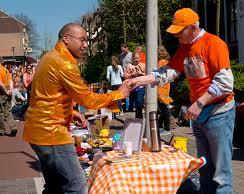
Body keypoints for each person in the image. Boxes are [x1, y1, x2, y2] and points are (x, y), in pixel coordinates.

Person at [127, 8, 236, 194]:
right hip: (200, 115)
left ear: (193, 27)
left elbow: (225, 83)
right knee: (204, 167)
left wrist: (199, 103)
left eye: (180, 30)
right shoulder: (185, 47)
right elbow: (169, 71)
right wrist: (139, 80)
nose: (176, 34)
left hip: (219, 113)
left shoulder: (213, 43)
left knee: (221, 174)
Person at [23, 23, 131, 194]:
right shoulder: (63, 63)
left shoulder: (48, 57)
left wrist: (70, 112)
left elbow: (44, 96)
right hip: (51, 133)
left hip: (38, 130)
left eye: (87, 40)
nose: (86, 45)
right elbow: (87, 99)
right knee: (78, 186)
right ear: (66, 39)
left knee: (54, 186)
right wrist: (119, 94)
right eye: (82, 40)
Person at [124, 51, 146, 118]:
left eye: (137, 58)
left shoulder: (143, 65)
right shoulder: (129, 66)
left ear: (140, 58)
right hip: (132, 87)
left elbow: (148, 75)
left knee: (139, 102)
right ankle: (138, 119)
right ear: (132, 58)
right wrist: (131, 74)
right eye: (135, 58)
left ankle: (139, 118)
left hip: (141, 87)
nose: (136, 59)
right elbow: (125, 75)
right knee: (135, 103)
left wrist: (141, 73)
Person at [0, 57, 17, 137]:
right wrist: (10, 90)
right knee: (8, 111)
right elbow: (10, 81)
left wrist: (5, 91)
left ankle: (2, 130)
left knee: (0, 112)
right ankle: (14, 127)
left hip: (1, 91)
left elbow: (0, 83)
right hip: (7, 89)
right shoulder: (5, 70)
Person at [157, 46, 173, 131]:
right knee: (163, 107)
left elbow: (158, 74)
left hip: (161, 87)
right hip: (165, 86)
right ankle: (160, 124)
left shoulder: (161, 62)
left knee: (163, 108)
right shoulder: (166, 61)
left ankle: (166, 128)